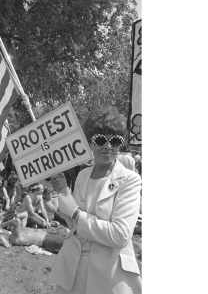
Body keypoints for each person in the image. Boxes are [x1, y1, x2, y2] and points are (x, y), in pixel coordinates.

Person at [49, 108, 142, 294]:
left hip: (109, 273)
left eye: (115, 141)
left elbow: (120, 235)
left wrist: (75, 212)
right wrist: (62, 206)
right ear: (90, 141)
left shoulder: (130, 180)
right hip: (73, 266)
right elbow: (75, 225)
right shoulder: (82, 175)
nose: (108, 146)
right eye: (101, 139)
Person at [0, 213, 68, 253]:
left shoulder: (21, 228)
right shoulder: (13, 237)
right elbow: (16, 221)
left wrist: (15, 215)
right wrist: (3, 224)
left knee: (74, 242)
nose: (18, 218)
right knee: (73, 247)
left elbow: (25, 214)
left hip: (50, 235)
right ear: (9, 225)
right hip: (48, 241)